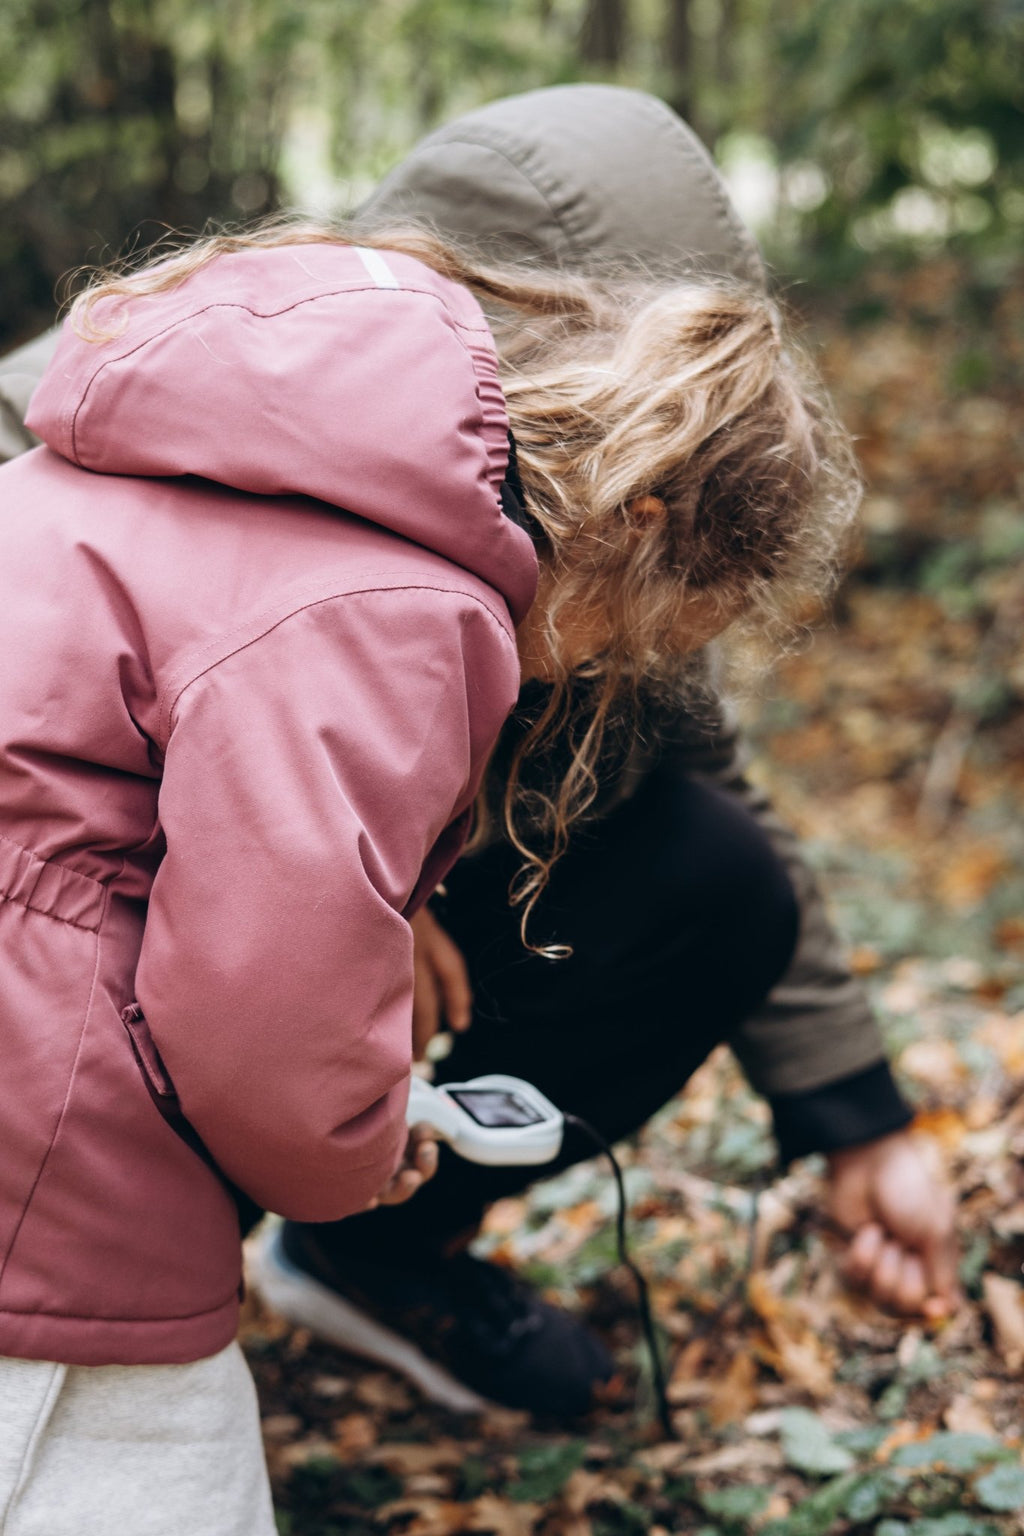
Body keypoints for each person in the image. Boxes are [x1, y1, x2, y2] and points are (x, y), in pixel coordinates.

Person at [0, 83, 956, 1454]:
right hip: (95, 941)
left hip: (309, 927)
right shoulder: (115, 403)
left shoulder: (607, 511)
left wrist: (859, 1119)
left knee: (714, 871)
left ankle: (366, 1252)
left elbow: (713, 783)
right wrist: (342, 908)